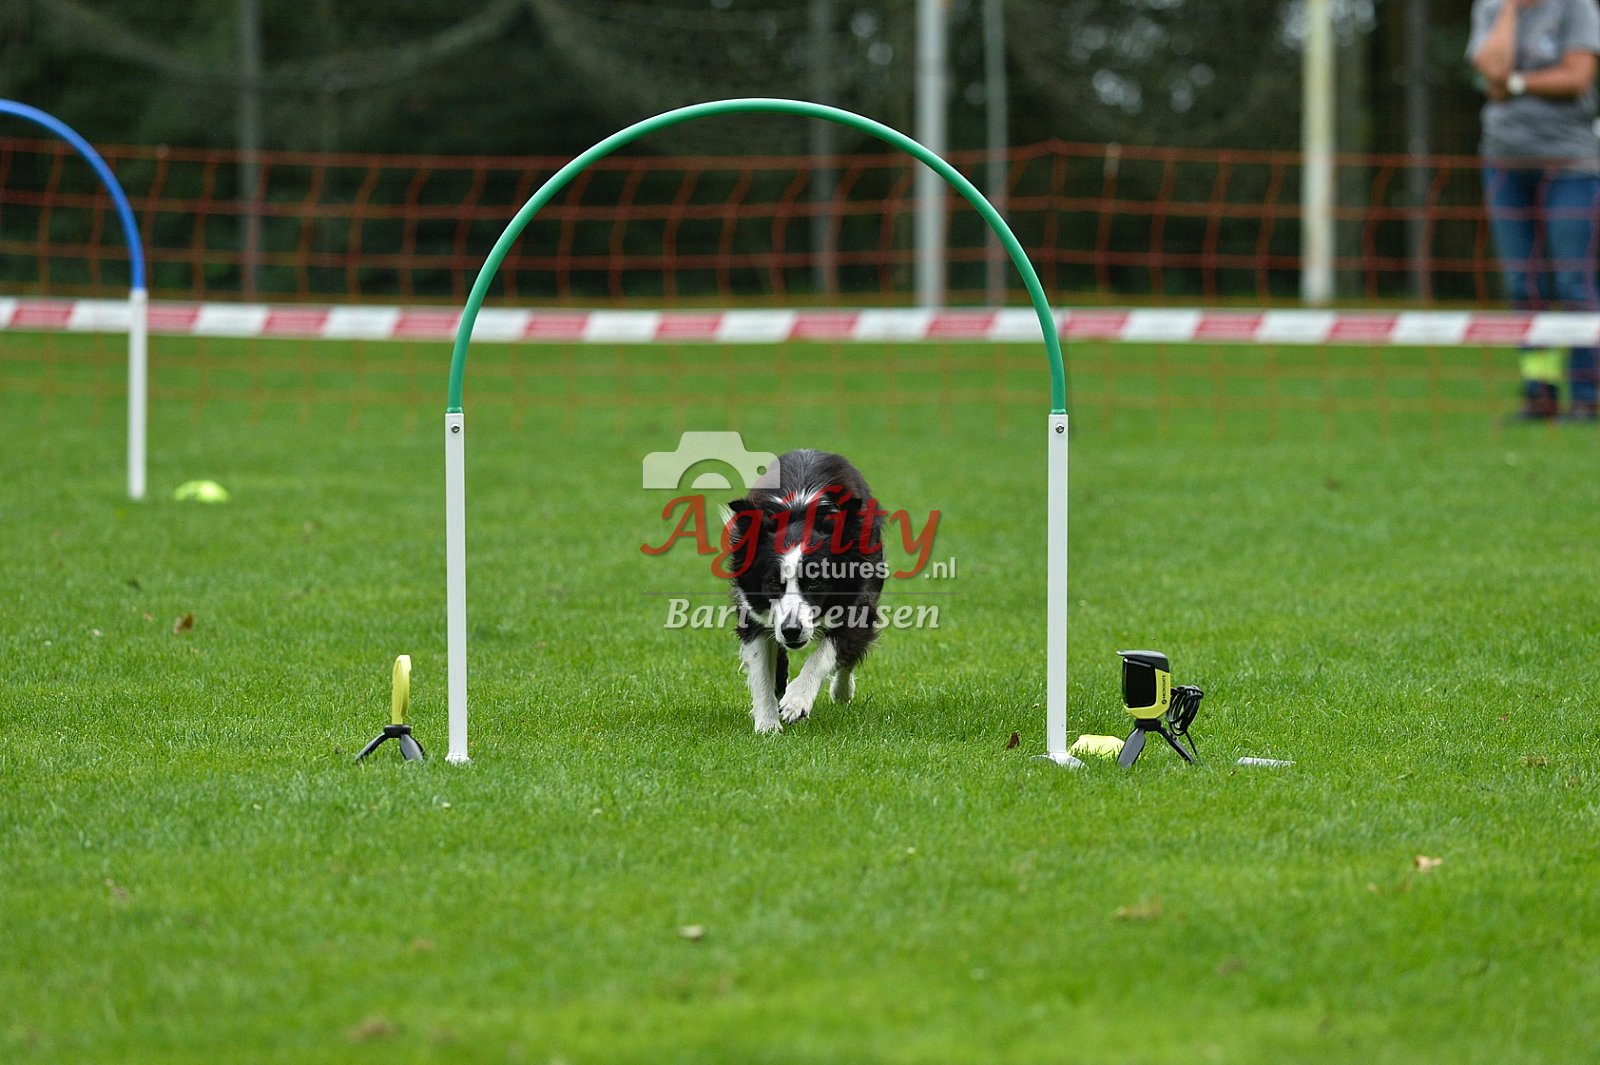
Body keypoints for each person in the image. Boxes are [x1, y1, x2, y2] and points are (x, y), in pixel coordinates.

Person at [1470, 0, 1600, 420]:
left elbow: (1578, 77)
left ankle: (1587, 395)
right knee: (1521, 284)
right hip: (1504, 161)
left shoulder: (1576, 6)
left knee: (1574, 281)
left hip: (1572, 164)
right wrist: (1509, 9)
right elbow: (1489, 74)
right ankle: (1539, 392)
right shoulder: (1491, 7)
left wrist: (1517, 83)